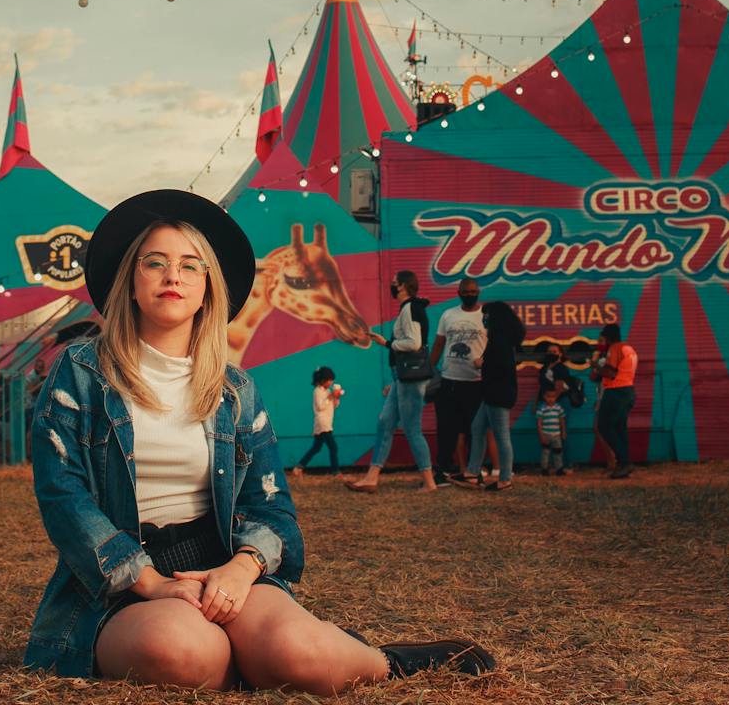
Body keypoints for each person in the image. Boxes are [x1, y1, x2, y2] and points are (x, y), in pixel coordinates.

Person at [26, 189, 493, 690]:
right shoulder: (80, 372)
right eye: (154, 263)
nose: (172, 276)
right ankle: (249, 654)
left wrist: (242, 570)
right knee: (183, 653)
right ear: (131, 283)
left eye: (190, 265)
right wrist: (151, 581)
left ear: (208, 287)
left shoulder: (235, 390)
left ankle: (379, 659)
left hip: (221, 559)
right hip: (122, 583)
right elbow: (64, 496)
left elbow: (271, 507)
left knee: (302, 654)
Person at [346, 271, 441, 493]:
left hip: (410, 379)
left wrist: (387, 343)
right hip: (403, 378)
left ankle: (429, 482)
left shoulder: (411, 308)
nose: (392, 286)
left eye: (394, 283)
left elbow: (414, 343)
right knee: (385, 422)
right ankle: (372, 477)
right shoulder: (409, 308)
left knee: (412, 429)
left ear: (404, 286)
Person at [431, 279, 487, 484]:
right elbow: (439, 343)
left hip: (476, 381)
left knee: (475, 429)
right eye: (466, 291)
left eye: (473, 291)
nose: (470, 294)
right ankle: (444, 470)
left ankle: (474, 471)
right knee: (446, 428)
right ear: (459, 292)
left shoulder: (486, 316)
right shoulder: (448, 314)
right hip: (449, 380)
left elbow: (493, 345)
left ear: (478, 291)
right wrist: (430, 370)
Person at [466, 303, 523, 489]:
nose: (483, 318)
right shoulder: (499, 340)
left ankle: (505, 478)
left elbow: (500, 369)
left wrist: (482, 364)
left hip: (497, 394)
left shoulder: (500, 342)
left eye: (486, 315)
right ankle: (472, 472)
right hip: (492, 393)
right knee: (477, 427)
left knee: (501, 436)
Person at [592, 321, 637, 479]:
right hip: (628, 391)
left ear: (607, 336)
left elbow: (610, 372)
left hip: (616, 391)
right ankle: (623, 464)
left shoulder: (614, 348)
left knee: (603, 426)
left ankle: (624, 461)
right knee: (619, 428)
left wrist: (597, 368)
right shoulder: (629, 348)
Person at [290, 367, 343, 476]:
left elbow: (334, 406)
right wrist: (330, 396)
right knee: (333, 447)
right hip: (322, 423)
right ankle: (335, 471)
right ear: (323, 380)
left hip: (327, 423)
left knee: (316, 448)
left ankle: (299, 467)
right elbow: (320, 406)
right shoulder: (317, 391)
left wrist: (336, 398)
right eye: (330, 380)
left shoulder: (328, 391)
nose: (331, 382)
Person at [535, 384, 568, 476]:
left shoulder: (558, 408)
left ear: (556, 397)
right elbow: (539, 423)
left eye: (553, 397)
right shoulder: (542, 408)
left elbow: (562, 421)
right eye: (548, 396)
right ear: (544, 397)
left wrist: (563, 432)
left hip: (557, 434)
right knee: (545, 452)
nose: (551, 399)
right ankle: (544, 469)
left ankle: (559, 469)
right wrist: (541, 435)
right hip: (546, 434)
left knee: (558, 452)